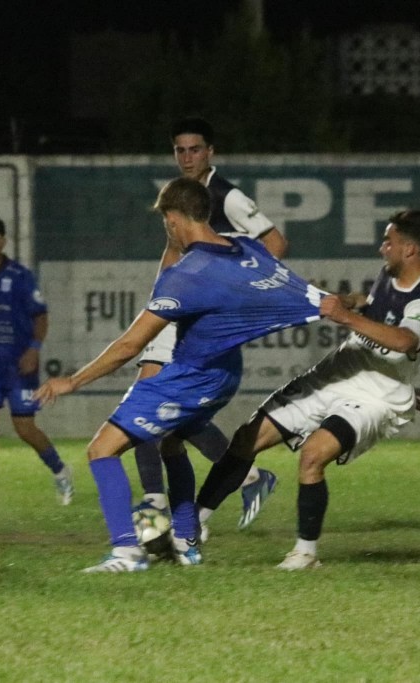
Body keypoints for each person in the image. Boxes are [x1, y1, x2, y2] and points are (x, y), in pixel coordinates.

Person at [34, 177, 322, 573]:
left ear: (173, 220)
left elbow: (128, 346)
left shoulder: (187, 274)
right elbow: (277, 276)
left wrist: (72, 381)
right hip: (226, 373)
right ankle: (186, 544)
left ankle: (126, 552)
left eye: (165, 220)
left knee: (102, 449)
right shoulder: (241, 248)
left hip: (192, 376)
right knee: (170, 443)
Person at [196, 210, 420, 569]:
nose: (381, 248)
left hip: (375, 398)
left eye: (388, 241)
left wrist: (347, 319)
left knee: (313, 455)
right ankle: (192, 524)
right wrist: (351, 302)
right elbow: (373, 307)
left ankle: (305, 553)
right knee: (247, 437)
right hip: (337, 372)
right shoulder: (391, 274)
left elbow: (406, 339)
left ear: (409, 250)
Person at [132, 116, 289, 531]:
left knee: (146, 405)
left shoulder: (227, 196)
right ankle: (246, 478)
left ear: (210, 152)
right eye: (180, 150)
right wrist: (159, 299)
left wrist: (239, 289)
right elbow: (172, 252)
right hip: (176, 308)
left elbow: (275, 244)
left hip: (198, 312)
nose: (187, 157)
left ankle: (152, 516)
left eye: (195, 149)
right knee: (169, 424)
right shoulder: (181, 194)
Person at [0, 215, 73, 506]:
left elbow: (41, 316)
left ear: (3, 242)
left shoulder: (20, 276)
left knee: (24, 427)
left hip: (19, 364)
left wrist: (34, 349)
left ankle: (61, 470)